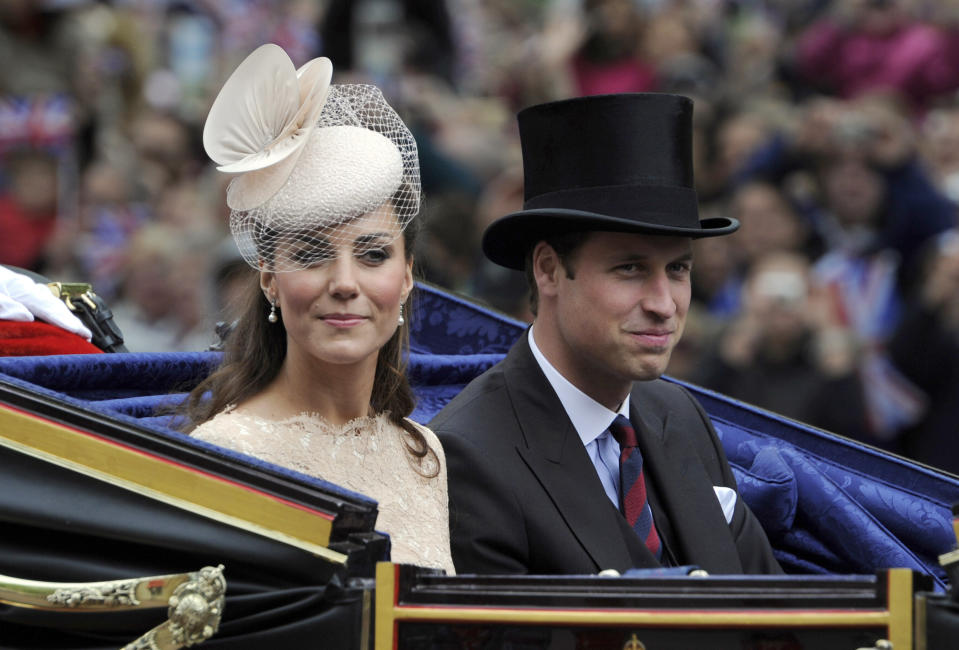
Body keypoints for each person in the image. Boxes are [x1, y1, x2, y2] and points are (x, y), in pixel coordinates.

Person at [429, 93, 782, 576]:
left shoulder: (677, 414)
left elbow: (771, 610)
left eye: (678, 268)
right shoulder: (469, 457)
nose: (664, 304)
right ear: (549, 269)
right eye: (630, 268)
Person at [181, 44, 453, 574]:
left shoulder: (425, 452)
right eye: (310, 255)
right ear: (270, 280)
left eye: (374, 255)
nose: (345, 283)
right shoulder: (225, 454)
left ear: (407, 275)